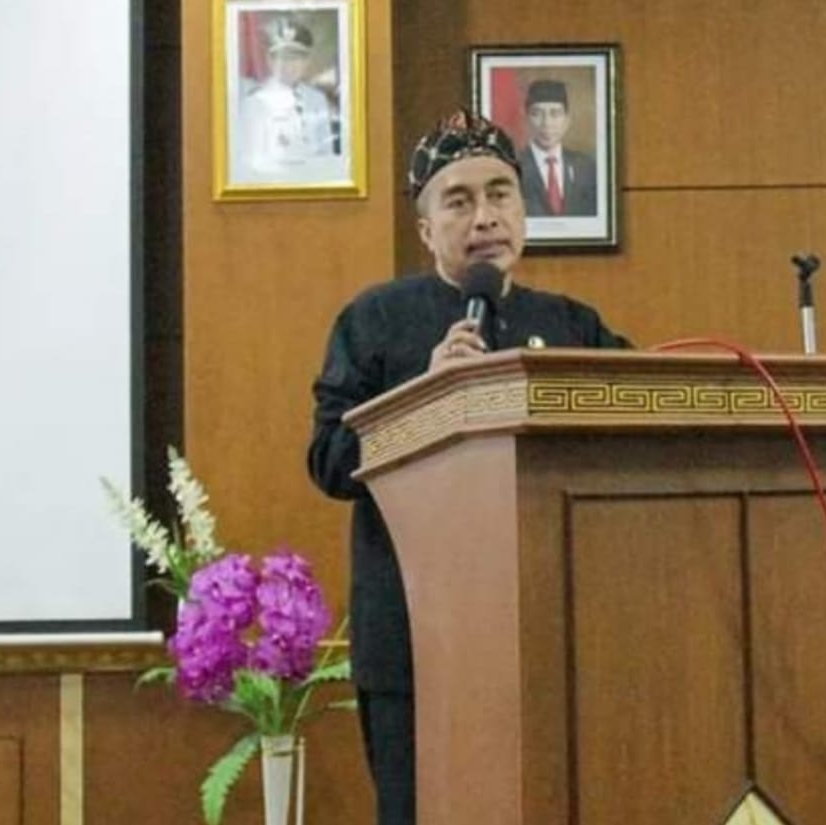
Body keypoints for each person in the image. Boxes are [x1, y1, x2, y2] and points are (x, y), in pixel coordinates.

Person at [306, 109, 630, 825]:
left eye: (499, 194)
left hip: (550, 629)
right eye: (459, 201)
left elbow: (635, 422)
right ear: (426, 229)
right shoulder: (375, 320)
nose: (484, 217)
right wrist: (425, 395)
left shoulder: (574, 326)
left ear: (523, 210)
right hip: (414, 637)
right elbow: (327, 460)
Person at [237, 16, 336, 175]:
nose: (289, 65)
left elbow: (326, 153)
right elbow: (249, 161)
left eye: (296, 58)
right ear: (270, 61)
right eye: (282, 57)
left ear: (307, 61)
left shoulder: (317, 100)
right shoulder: (254, 102)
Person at [518, 79, 598, 217]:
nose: (546, 123)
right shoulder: (514, 166)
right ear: (526, 119)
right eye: (537, 114)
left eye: (555, 114)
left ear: (567, 120)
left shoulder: (586, 167)